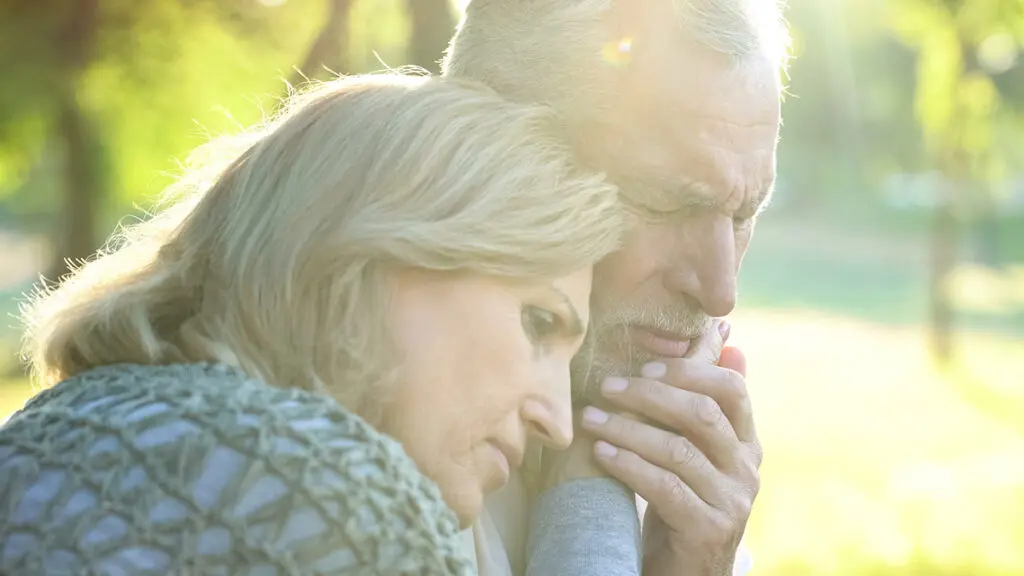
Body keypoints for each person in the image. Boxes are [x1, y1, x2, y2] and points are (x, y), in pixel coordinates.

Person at [0, 74, 628, 574]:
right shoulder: (325, 491)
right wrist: (593, 514)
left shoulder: (50, 427)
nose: (558, 421)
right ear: (374, 253)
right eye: (539, 322)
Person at [443, 0, 791, 574]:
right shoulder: (368, 475)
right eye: (668, 201)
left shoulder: (670, 483)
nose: (719, 292)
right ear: (492, 160)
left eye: (743, 215)